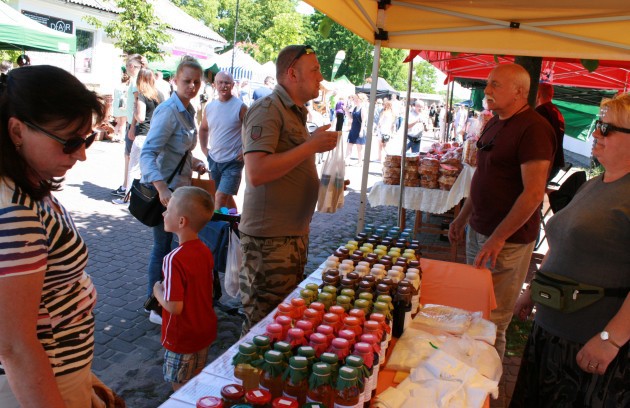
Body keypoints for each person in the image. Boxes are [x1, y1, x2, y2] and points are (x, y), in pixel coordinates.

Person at [0, 65, 117, 407]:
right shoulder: (16, 213)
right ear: (17, 131)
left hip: (61, 374)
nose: (81, 154)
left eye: (86, 140)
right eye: (69, 142)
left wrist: (83, 377)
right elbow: (15, 346)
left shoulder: (28, 185)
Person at [510, 93, 630, 407]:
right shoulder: (595, 183)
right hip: (551, 332)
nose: (595, 134)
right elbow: (561, 245)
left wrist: (611, 339)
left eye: (607, 129)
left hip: (589, 345)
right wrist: (533, 290)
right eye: (598, 125)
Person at [448, 63, 556, 360]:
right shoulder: (495, 122)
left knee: (493, 320)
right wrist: (463, 216)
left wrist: (497, 238)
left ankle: (487, 389)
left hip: (505, 241)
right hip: (479, 229)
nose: (487, 90)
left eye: (495, 84)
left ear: (520, 92)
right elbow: (482, 176)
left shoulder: (534, 129)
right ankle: (467, 372)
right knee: (475, 307)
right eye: (488, 84)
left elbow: (533, 193)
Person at [239, 44, 338, 335]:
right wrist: (310, 145)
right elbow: (256, 172)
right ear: (292, 73)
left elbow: (287, 167)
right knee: (263, 326)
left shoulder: (293, 112)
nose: (321, 77)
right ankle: (242, 380)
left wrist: (324, 185)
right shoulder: (267, 109)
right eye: (315, 70)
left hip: (289, 239)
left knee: (281, 322)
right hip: (269, 244)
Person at [140, 56, 208, 325]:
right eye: (187, 81)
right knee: (163, 247)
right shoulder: (169, 111)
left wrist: (195, 162)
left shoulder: (189, 110)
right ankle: (154, 304)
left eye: (196, 81)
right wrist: (160, 188)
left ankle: (171, 296)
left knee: (172, 248)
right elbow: (148, 153)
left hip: (180, 191)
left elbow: (178, 151)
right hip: (166, 194)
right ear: (175, 81)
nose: (192, 86)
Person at [153, 186, 217, 391]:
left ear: (181, 221)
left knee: (180, 388)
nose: (164, 213)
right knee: (195, 382)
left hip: (183, 336)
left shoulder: (173, 259)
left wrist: (157, 292)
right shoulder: (205, 250)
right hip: (204, 331)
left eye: (168, 209)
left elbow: (174, 307)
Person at [113, 68, 165, 205]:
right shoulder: (159, 95)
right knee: (150, 170)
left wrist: (135, 112)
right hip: (156, 136)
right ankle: (146, 199)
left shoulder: (142, 95)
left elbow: (141, 117)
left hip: (142, 135)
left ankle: (128, 199)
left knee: (133, 168)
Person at [199, 71, 247, 211]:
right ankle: (236, 226)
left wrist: (246, 150)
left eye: (227, 83)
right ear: (214, 85)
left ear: (233, 85)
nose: (223, 86)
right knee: (225, 197)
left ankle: (215, 229)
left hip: (233, 161)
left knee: (220, 197)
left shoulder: (240, 107)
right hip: (214, 159)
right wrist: (203, 148)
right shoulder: (210, 107)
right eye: (220, 82)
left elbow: (254, 131)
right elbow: (203, 128)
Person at [111, 53, 145, 198]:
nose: (126, 68)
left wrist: (132, 126)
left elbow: (137, 104)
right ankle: (127, 187)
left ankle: (128, 189)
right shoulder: (137, 80)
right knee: (130, 157)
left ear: (131, 66)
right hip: (133, 123)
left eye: (127, 65)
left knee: (130, 158)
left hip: (134, 124)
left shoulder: (137, 81)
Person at [535, 82, 566, 181]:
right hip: (555, 162)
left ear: (538, 94)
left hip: (545, 163)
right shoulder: (556, 111)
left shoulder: (541, 111)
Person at [345, 93, 368, 166]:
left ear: (360, 99)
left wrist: (361, 131)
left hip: (359, 129)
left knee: (359, 147)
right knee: (349, 145)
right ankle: (347, 160)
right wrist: (347, 111)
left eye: (355, 98)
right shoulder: (355, 108)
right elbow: (351, 119)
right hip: (353, 129)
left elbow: (364, 121)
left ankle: (360, 162)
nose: (354, 100)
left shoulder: (363, 108)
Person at [112, 71, 130, 142]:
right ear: (128, 80)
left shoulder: (116, 87)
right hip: (124, 106)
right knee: (123, 123)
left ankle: (115, 136)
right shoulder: (127, 88)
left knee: (118, 123)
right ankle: (121, 138)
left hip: (116, 106)